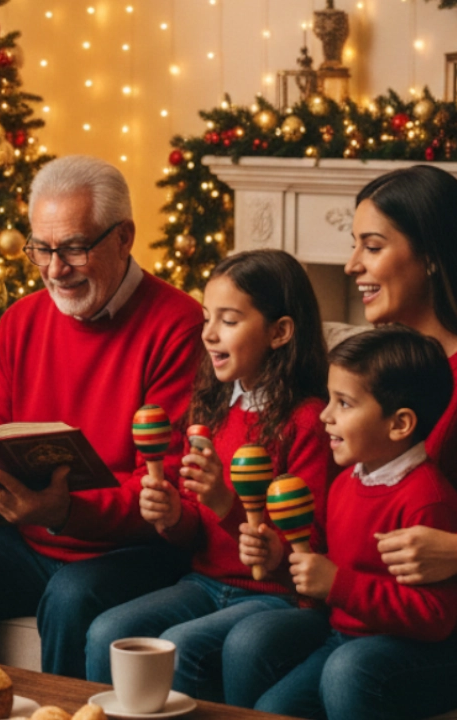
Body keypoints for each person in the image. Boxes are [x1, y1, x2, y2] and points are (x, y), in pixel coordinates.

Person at [224, 165, 457, 718]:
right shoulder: (374, 371)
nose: (352, 265)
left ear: (432, 255)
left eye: (372, 246)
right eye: (353, 245)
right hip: (383, 612)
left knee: (353, 670)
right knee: (253, 642)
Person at [0, 156, 205, 678]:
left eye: (74, 248)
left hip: (129, 549)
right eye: (42, 249)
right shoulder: (21, 320)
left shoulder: (178, 324)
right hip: (30, 538)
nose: (55, 269)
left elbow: (164, 487)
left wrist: (64, 510)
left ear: (124, 237)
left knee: (71, 596)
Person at [83, 250, 334, 695]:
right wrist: (173, 515)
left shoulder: (307, 422)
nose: (209, 334)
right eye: (206, 318)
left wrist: (225, 504)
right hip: (205, 582)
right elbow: (194, 533)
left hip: (275, 596)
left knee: (184, 645)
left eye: (229, 320)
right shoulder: (213, 409)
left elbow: (306, 551)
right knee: (109, 631)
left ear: (280, 332)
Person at [241, 326, 457, 718]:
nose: (324, 415)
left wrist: (338, 584)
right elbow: (321, 572)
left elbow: (436, 617)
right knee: (273, 708)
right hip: (345, 635)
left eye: (344, 403)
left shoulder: (427, 502)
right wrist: (280, 559)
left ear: (399, 424)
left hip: (411, 650)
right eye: (329, 399)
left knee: (346, 671)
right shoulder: (346, 483)